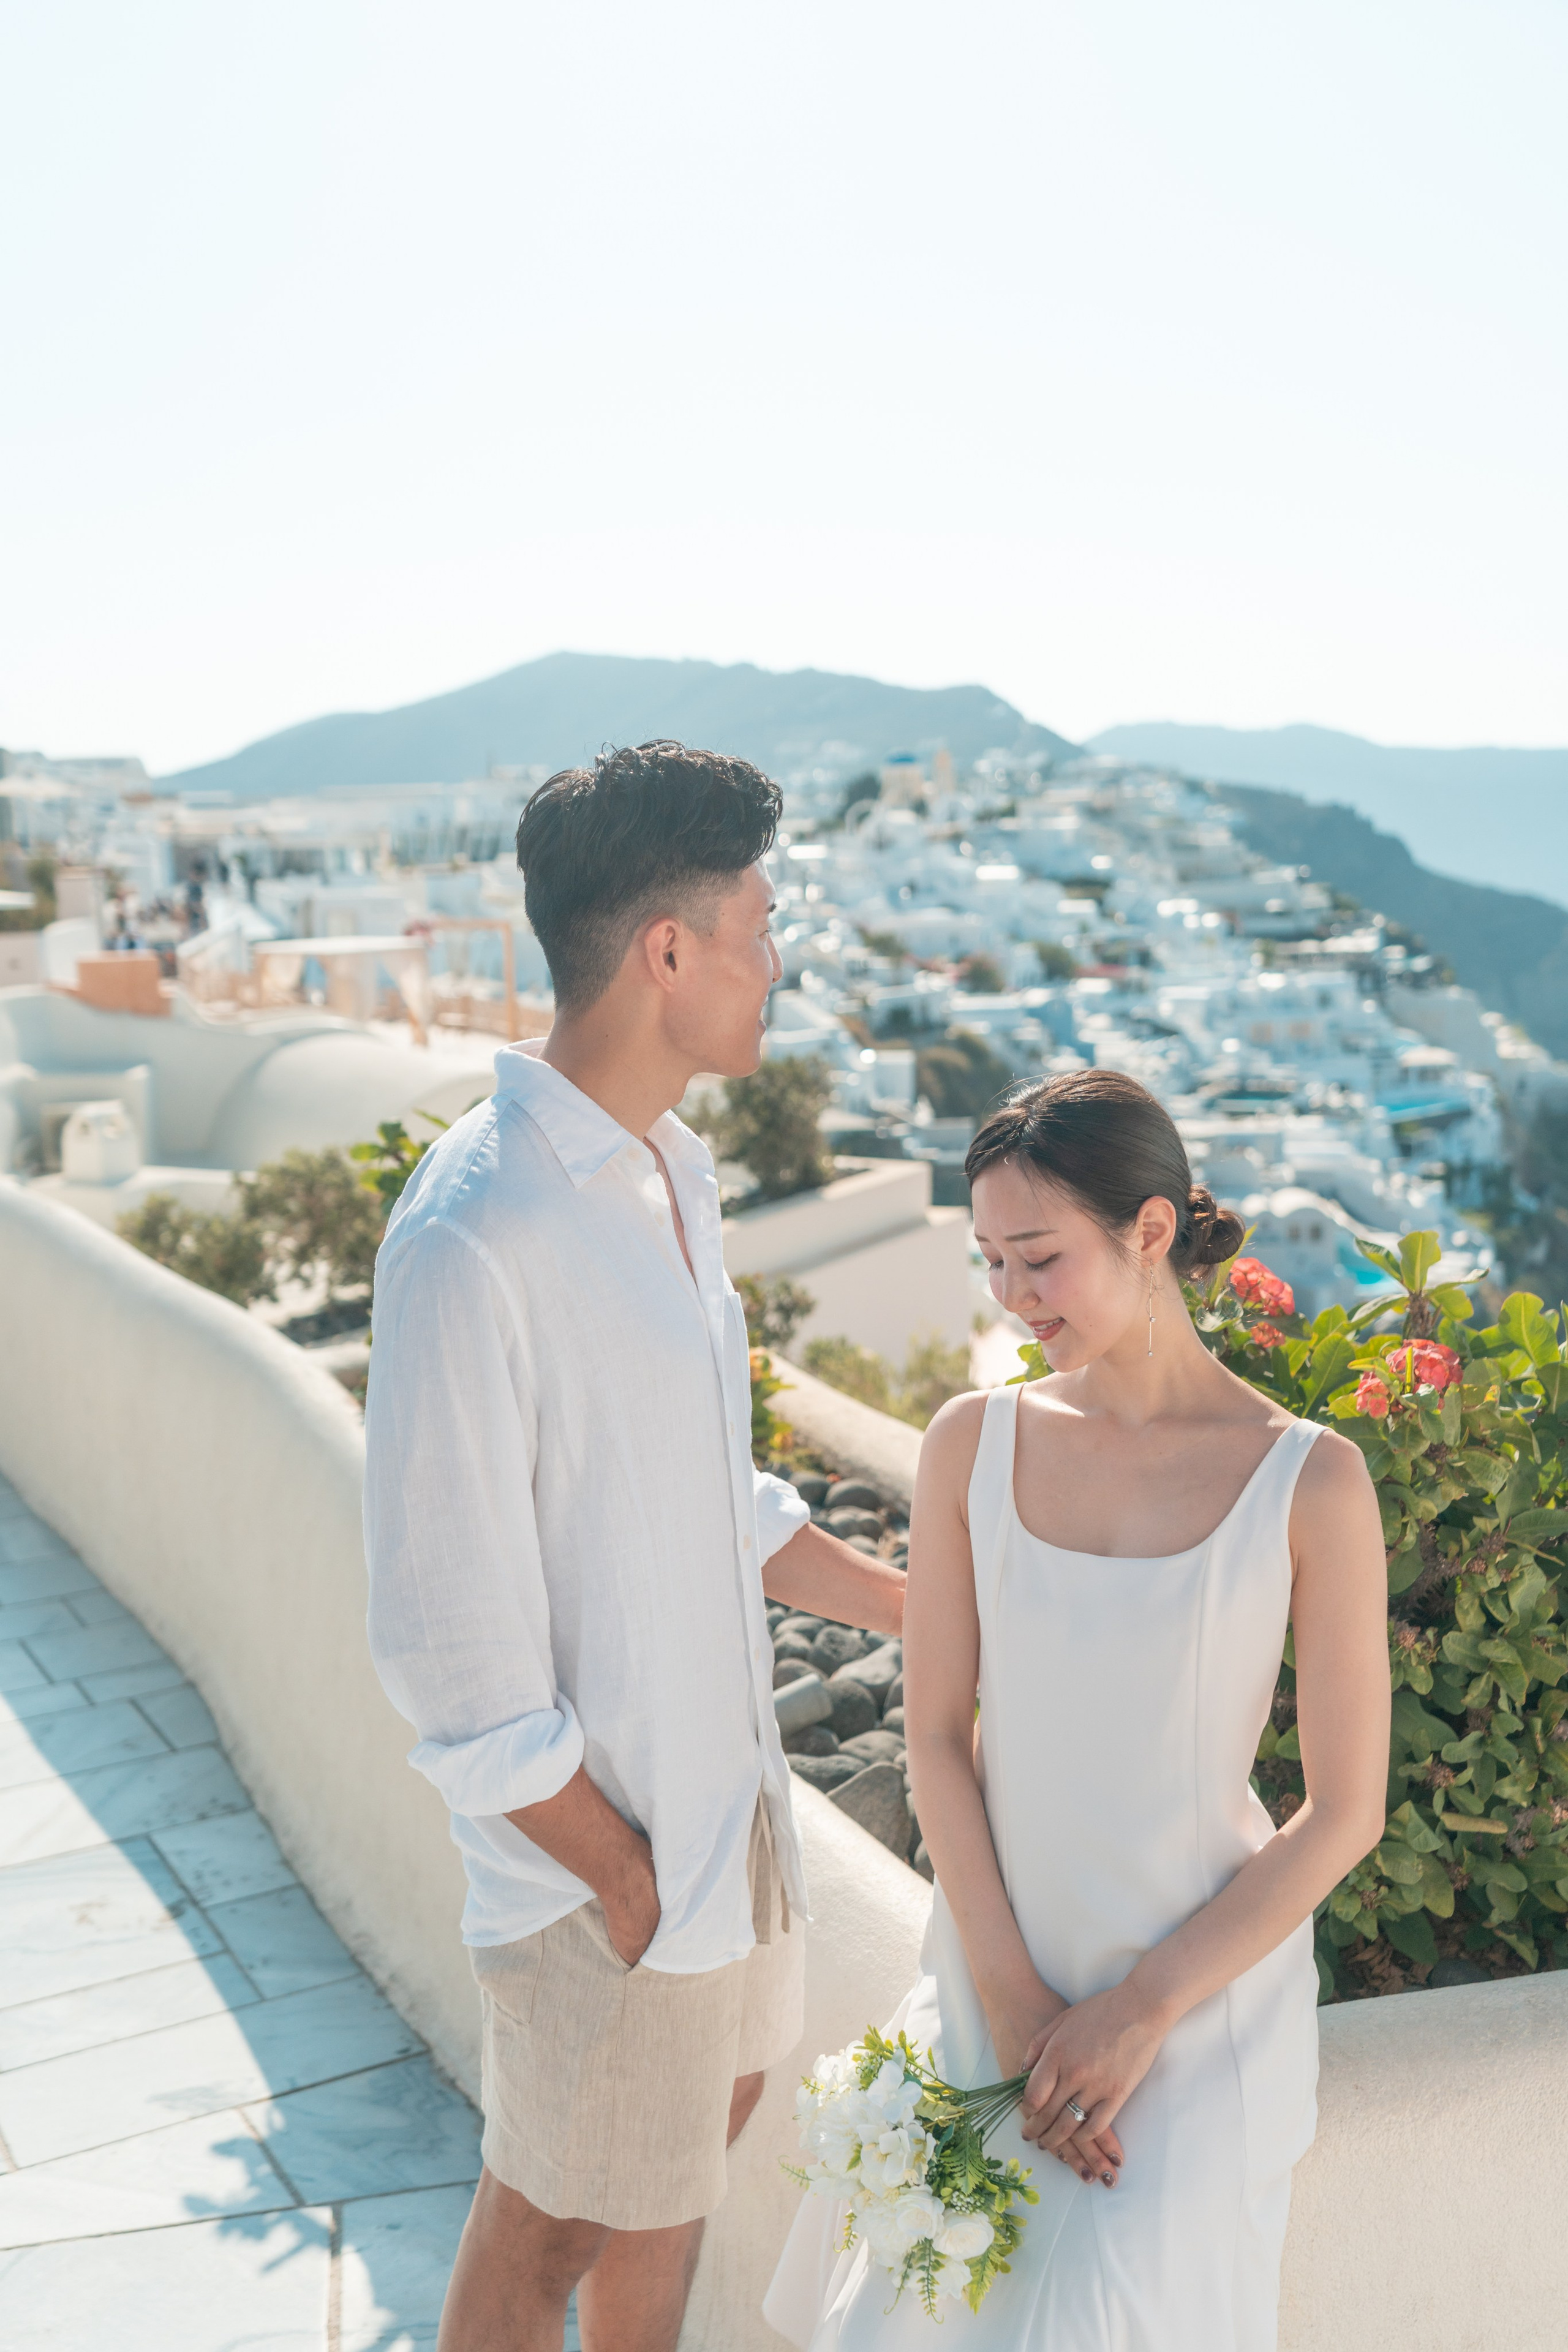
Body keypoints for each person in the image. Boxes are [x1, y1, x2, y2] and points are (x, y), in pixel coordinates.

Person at [363, 742, 905, 2352]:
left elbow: (697, 1491)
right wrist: (618, 1875)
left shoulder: (671, 1172)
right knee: (549, 2230)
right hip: (607, 1861)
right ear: (668, 952)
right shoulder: (478, 1231)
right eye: (757, 923)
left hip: (725, 1810)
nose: (776, 959)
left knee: (676, 2186)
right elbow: (443, 1644)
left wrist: (911, 1608)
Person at [766, 1068, 1389, 2351]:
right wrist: (1012, 2003)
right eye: (990, 1260)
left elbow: (1341, 1814)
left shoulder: (1309, 1481)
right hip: (997, 1975)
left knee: (1120, 2308)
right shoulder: (968, 1444)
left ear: (1149, 1231)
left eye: (1037, 1258)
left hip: (1197, 1999)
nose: (1008, 1296)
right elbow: (934, 1738)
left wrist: (1137, 2010)